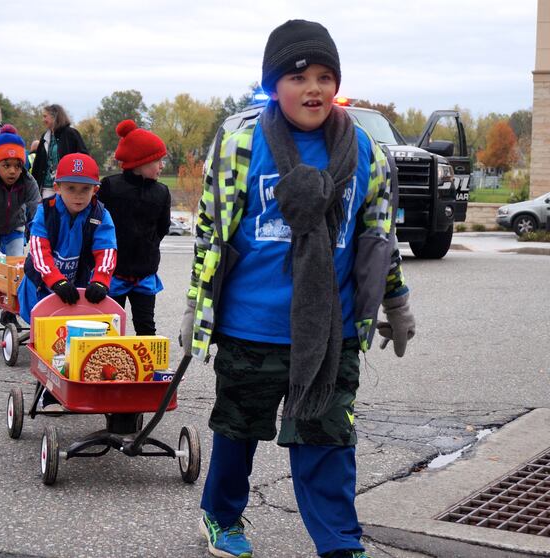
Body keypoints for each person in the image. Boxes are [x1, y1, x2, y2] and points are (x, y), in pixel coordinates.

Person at [180, 20, 415, 558]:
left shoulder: (365, 152)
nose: (314, 88)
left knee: (328, 438)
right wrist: (198, 307)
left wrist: (396, 302)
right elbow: (211, 235)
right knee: (237, 432)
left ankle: (339, 543)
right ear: (273, 84)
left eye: (325, 76)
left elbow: (378, 236)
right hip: (251, 325)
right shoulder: (241, 145)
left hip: (329, 330)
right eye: (298, 76)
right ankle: (221, 518)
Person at [18, 153, 117, 411]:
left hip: (78, 283)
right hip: (43, 285)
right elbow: (39, 250)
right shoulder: (46, 211)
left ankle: (83, 383)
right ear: (58, 187)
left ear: (94, 190)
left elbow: (106, 250)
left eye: (85, 189)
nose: (78, 195)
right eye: (71, 188)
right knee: (52, 341)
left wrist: (101, 280)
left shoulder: (99, 215)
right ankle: (50, 393)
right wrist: (55, 281)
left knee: (81, 336)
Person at [98, 120, 171, 335]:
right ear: (141, 162)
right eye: (158, 161)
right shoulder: (111, 186)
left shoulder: (162, 192)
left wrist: (147, 246)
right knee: (108, 328)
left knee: (146, 326)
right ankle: (107, 366)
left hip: (145, 273)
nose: (161, 166)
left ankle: (148, 368)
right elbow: (99, 224)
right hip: (114, 272)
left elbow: (162, 228)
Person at [0, 125, 41, 337]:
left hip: (14, 227)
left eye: (17, 165)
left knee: (15, 271)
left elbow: (36, 211)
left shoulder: (28, 182)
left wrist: (39, 242)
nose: (13, 171)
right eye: (7, 165)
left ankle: (10, 311)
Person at [30, 104, 88, 200]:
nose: (43, 120)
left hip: (66, 185)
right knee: (48, 212)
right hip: (46, 186)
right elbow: (38, 163)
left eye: (45, 116)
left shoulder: (71, 134)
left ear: (55, 116)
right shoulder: (45, 137)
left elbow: (83, 157)